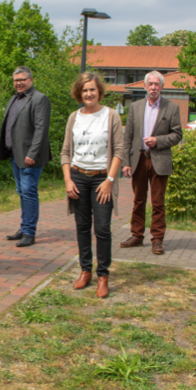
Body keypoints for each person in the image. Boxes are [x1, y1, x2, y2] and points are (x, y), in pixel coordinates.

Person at [61, 74, 123, 298]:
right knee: (82, 227)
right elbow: (66, 152)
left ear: (99, 92)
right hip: (78, 178)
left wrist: (110, 180)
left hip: (102, 180)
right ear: (79, 93)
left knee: (103, 229)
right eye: (85, 90)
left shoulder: (111, 115)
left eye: (92, 90)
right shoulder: (73, 117)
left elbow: (118, 151)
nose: (89, 94)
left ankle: (103, 275)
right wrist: (68, 180)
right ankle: (85, 271)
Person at [119, 71, 182, 255]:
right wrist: (126, 162)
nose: (153, 87)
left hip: (159, 160)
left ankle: (157, 239)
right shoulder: (136, 107)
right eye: (150, 84)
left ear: (162, 87)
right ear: (145, 86)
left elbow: (177, 135)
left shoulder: (171, 108)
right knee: (138, 201)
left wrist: (158, 141)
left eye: (157, 84)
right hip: (138, 160)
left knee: (157, 203)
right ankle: (137, 236)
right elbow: (128, 136)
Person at [0, 66, 51, 247]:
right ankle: (24, 227)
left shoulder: (39, 99)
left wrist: (32, 153)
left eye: (22, 80)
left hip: (30, 157)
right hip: (14, 154)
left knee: (29, 193)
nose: (18, 83)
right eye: (15, 80)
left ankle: (29, 233)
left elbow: (41, 129)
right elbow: (6, 126)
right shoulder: (13, 99)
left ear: (31, 80)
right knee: (22, 193)